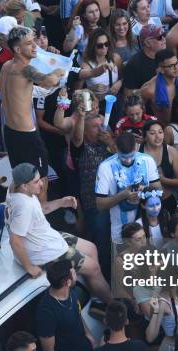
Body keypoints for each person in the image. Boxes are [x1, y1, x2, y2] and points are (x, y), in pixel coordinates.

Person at [6, 163, 112, 302]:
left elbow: (39, 210)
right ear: (25, 186)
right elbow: (15, 240)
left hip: (47, 238)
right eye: (36, 182)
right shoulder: (23, 207)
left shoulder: (15, 188)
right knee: (94, 268)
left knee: (91, 248)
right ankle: (111, 305)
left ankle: (96, 295)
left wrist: (61, 202)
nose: (42, 184)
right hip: (45, 252)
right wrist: (29, 267)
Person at [0, 26, 65, 204]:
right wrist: (59, 70)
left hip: (10, 133)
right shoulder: (25, 69)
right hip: (27, 137)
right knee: (40, 183)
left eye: (34, 41)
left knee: (21, 182)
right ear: (18, 49)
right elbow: (50, 80)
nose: (35, 46)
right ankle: (39, 224)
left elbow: (18, 92)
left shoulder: (6, 66)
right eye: (29, 43)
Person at [35, 260, 94, 351]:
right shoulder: (46, 312)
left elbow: (78, 314)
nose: (76, 274)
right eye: (74, 272)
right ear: (67, 282)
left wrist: (89, 336)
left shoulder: (71, 293)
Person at [95, 131, 161, 243]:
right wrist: (123, 194)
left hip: (147, 225)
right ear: (116, 148)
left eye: (131, 156)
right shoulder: (105, 167)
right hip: (121, 229)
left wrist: (143, 192)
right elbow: (100, 205)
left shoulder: (147, 160)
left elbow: (158, 190)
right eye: (123, 157)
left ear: (136, 147)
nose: (128, 160)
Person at [70, 112, 113, 279]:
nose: (100, 130)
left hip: (116, 203)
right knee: (101, 246)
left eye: (102, 125)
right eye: (95, 127)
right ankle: (104, 282)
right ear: (85, 132)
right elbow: (76, 140)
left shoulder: (108, 144)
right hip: (94, 206)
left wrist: (110, 142)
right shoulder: (81, 148)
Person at [140, 49, 178, 127]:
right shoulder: (149, 89)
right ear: (160, 69)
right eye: (171, 66)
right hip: (163, 129)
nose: (176, 68)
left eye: (177, 63)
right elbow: (139, 112)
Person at [140, 120, 178, 214]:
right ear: (144, 136)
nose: (158, 136)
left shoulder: (172, 151)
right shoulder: (137, 150)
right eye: (152, 133)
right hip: (143, 202)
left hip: (166, 200)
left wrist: (162, 179)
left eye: (160, 132)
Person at [80, 28, 123, 103]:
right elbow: (77, 91)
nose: (104, 48)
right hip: (96, 105)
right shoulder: (86, 65)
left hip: (114, 100)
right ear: (93, 46)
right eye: (100, 45)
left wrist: (120, 83)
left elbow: (125, 76)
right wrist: (91, 89)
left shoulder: (115, 58)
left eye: (106, 44)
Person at [122, 24, 165, 97]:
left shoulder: (166, 56)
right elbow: (127, 95)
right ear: (148, 42)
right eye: (159, 37)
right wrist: (146, 89)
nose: (164, 39)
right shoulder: (133, 65)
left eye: (163, 35)